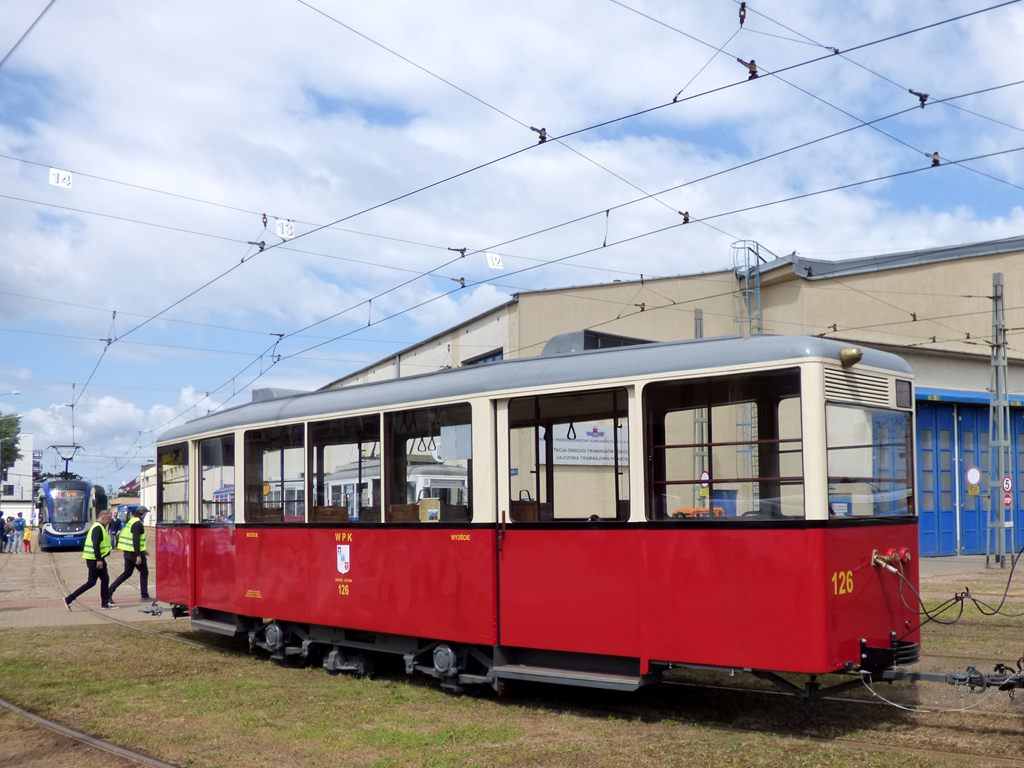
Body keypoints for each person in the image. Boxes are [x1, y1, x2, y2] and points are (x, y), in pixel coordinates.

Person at [64, 510, 116, 610]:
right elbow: (95, 545)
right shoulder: (97, 528)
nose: (110, 521)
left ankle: (105, 603)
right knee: (91, 582)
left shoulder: (99, 527)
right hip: (95, 560)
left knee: (105, 580)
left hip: (97, 559)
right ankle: (70, 598)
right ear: (103, 518)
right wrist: (99, 560)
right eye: (109, 519)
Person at [109, 506, 152, 603]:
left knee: (127, 573)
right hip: (134, 553)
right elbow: (135, 539)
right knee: (144, 573)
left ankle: (109, 591)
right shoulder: (138, 524)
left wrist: (143, 551)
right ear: (143, 513)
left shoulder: (132, 521)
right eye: (145, 513)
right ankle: (144, 596)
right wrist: (138, 555)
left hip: (128, 552)